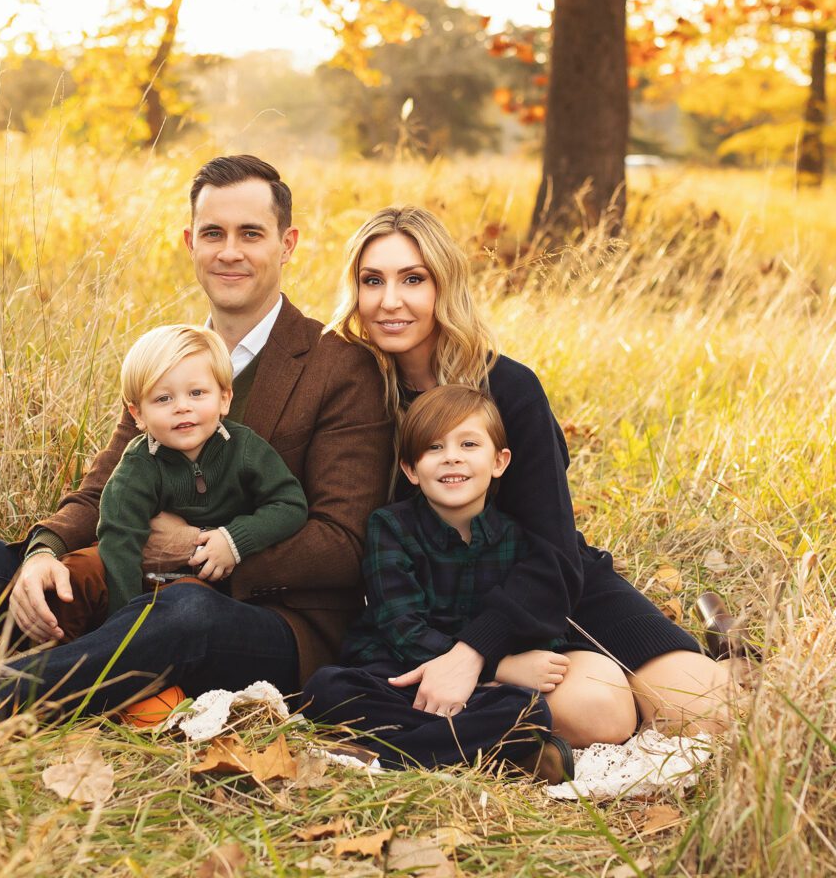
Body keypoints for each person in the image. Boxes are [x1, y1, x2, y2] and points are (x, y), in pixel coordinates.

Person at [0, 155, 392, 722]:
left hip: (262, 618)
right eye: (212, 233)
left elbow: (344, 543)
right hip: (133, 590)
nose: (229, 251)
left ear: (287, 244)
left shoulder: (338, 364)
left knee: (185, 611)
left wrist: (202, 549)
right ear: (189, 243)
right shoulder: (169, 359)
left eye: (251, 234)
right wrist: (44, 552)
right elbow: (102, 493)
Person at [324, 205, 735, 746]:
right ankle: (577, 702)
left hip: (545, 590)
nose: (389, 300)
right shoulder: (355, 392)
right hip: (434, 610)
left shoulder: (509, 388)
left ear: (444, 287)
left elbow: (555, 549)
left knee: (705, 714)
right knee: (600, 713)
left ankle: (727, 662)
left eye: (413, 279)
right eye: (372, 280)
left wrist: (476, 652)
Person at [304, 384, 575, 776]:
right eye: (434, 448)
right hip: (398, 674)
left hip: (474, 695)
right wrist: (497, 668)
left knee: (527, 711)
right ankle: (475, 753)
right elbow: (402, 629)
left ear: (499, 461)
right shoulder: (390, 527)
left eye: (468, 445)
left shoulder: (515, 538)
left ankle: (383, 755)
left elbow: (532, 625)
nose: (451, 458)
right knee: (326, 688)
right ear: (411, 470)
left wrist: (491, 675)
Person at [55, 324, 308, 637]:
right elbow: (120, 543)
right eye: (163, 399)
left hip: (205, 585)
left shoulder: (244, 449)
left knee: (186, 597)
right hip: (141, 578)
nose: (182, 406)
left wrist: (234, 540)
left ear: (225, 399)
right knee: (78, 573)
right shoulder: (137, 467)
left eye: (197, 393)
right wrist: (123, 630)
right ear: (138, 415)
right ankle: (63, 654)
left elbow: (290, 503)